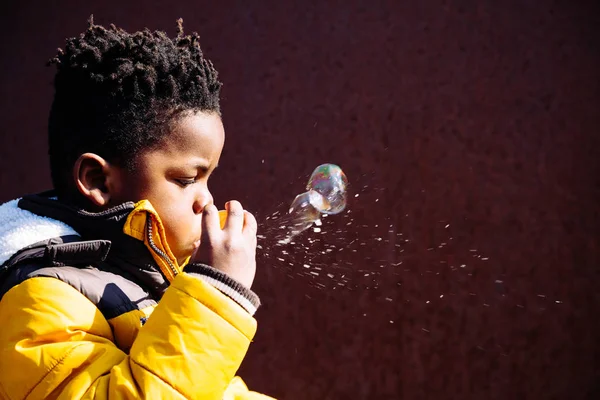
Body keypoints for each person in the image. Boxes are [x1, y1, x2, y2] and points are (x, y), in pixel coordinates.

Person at [0, 16, 274, 400]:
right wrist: (216, 296)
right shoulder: (39, 297)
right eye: (185, 180)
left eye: (209, 178)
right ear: (98, 181)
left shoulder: (148, 281)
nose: (207, 200)